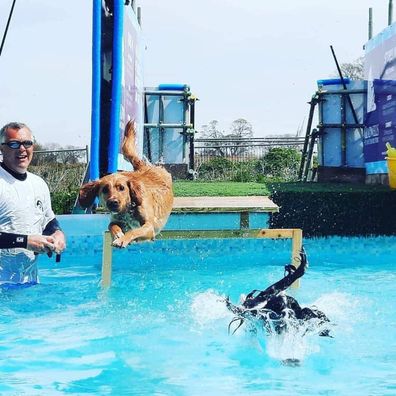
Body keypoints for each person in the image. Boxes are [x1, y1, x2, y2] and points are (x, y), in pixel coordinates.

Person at [0, 122, 66, 286]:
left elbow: (48, 220)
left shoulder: (39, 184)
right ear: (2, 148)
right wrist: (25, 241)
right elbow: (27, 240)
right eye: (14, 144)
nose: (22, 149)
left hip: (29, 282)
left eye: (27, 143)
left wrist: (57, 233)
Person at [225, 247, 331, 337]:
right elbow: (288, 281)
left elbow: (242, 311)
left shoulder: (259, 302)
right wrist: (300, 268)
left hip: (279, 318)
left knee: (264, 315)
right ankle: (324, 328)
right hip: (286, 314)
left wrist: (231, 306)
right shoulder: (263, 298)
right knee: (304, 313)